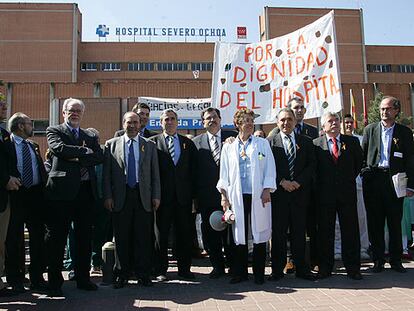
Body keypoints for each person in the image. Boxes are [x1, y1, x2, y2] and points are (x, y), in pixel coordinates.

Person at [45, 98, 104, 296]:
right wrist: (83, 152)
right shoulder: (54, 131)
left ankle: (83, 278)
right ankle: (54, 281)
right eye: (71, 110)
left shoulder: (90, 135)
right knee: (57, 238)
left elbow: (99, 156)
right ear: (64, 112)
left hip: (86, 193)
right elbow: (58, 149)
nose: (75, 113)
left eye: (78, 110)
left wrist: (74, 156)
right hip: (61, 193)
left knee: (84, 238)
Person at [217, 108, 276, 285]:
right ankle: (239, 273)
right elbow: (224, 173)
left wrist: (267, 189)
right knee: (238, 235)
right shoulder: (228, 146)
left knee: (259, 233)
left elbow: (269, 167)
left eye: (251, 120)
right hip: (237, 196)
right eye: (245, 120)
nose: (249, 123)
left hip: (258, 195)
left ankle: (259, 273)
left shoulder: (262, 144)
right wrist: (224, 196)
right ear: (237, 124)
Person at [104, 112, 161, 288]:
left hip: (142, 196)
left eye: (136, 122)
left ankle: (143, 274)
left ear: (140, 125)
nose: (133, 125)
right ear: (123, 124)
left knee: (143, 237)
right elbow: (106, 175)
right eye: (129, 122)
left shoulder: (149, 145)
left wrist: (156, 195)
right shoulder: (111, 145)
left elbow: (155, 173)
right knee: (122, 237)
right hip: (121, 197)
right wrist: (108, 196)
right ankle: (122, 273)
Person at [362, 96, 414, 273]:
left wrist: (410, 186)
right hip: (374, 180)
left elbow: (410, 161)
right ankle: (377, 259)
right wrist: (365, 172)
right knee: (375, 222)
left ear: (396, 111)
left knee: (394, 222)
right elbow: (362, 156)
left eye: (388, 108)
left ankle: (396, 259)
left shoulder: (404, 132)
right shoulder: (370, 130)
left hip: (395, 181)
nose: (384, 112)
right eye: (382, 109)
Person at [267, 108, 316, 281]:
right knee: (278, 234)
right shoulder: (269, 142)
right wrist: (282, 182)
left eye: (289, 119)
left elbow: (311, 166)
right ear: (277, 122)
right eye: (282, 120)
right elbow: (267, 168)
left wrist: (298, 182)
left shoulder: (307, 142)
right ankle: (277, 270)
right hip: (279, 195)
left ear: (295, 121)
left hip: (300, 194)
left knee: (299, 234)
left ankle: (302, 269)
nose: (286, 123)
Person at [313, 112, 363, 280]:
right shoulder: (316, 144)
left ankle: (353, 268)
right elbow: (315, 171)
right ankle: (325, 268)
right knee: (325, 232)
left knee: (350, 231)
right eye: (330, 121)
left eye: (336, 120)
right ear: (323, 126)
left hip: (346, 194)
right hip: (324, 196)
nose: (334, 123)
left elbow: (358, 165)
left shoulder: (352, 142)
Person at [150, 109, 197, 281]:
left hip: (183, 199)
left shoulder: (187, 143)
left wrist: (194, 197)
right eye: (166, 119)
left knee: (184, 234)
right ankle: (160, 270)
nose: (169, 122)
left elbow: (193, 171)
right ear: (161, 122)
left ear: (178, 122)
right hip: (161, 199)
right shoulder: (152, 143)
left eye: (172, 119)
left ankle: (184, 269)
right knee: (160, 236)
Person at [5, 113, 48, 293]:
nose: (33, 127)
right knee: (14, 238)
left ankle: (37, 277)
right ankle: (15, 278)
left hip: (36, 196)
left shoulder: (34, 145)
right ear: (21, 126)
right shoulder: (7, 144)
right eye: (31, 124)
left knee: (38, 236)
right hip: (16, 195)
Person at [193, 108, 236, 279]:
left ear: (220, 119)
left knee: (231, 233)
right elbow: (193, 172)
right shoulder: (195, 143)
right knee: (211, 234)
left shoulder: (233, 137)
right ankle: (217, 266)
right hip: (207, 197)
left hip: (232, 195)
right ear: (203, 122)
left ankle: (234, 267)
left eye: (214, 117)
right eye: (207, 118)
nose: (212, 120)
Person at [335, 114, 370, 260]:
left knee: (361, 217)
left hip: (357, 184)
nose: (348, 125)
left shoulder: (358, 139)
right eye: (346, 122)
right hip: (338, 187)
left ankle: (362, 247)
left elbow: (360, 162)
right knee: (337, 221)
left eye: (350, 122)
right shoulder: (334, 140)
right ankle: (337, 248)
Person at [0, 95, 21, 297]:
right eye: (1, 105)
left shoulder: (4, 134)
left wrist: (13, 178)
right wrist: (5, 178)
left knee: (1, 241)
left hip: (4, 198)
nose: (4, 107)